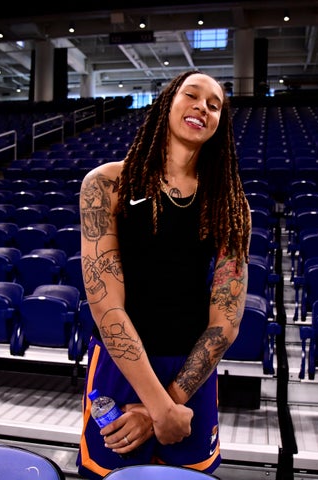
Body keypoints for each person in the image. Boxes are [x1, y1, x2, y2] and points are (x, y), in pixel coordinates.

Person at [76, 70, 251, 479]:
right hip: (120, 367)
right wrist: (159, 408)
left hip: (191, 373)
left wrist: (171, 403)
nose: (202, 108)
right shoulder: (106, 184)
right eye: (192, 95)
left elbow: (225, 323)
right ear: (167, 103)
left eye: (214, 105)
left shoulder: (231, 204)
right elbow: (107, 307)